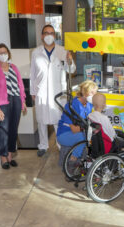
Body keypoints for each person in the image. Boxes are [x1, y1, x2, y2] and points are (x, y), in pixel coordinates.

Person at [30, 24, 76, 157]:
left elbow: (71, 70)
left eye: (51, 33)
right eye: (46, 33)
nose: (48, 35)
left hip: (58, 92)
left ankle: (60, 144)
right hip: (41, 91)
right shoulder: (36, 52)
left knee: (58, 120)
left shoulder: (62, 51)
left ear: (55, 36)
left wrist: (70, 61)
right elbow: (32, 74)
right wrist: (33, 91)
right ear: (42, 35)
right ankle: (43, 145)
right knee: (41, 120)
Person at [0, 43, 27, 169]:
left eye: (5, 52)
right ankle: (3, 158)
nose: (3, 55)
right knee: (2, 131)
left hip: (16, 101)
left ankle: (10, 155)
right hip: (2, 103)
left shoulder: (14, 67)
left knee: (13, 130)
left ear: (8, 53)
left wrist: (23, 100)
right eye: (0, 53)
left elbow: (20, 85)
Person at [57, 80, 98, 162]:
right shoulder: (72, 105)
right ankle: (73, 159)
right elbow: (74, 129)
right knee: (83, 137)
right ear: (85, 92)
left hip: (78, 133)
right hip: (64, 134)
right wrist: (89, 129)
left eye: (95, 93)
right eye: (92, 93)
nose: (94, 96)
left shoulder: (89, 105)